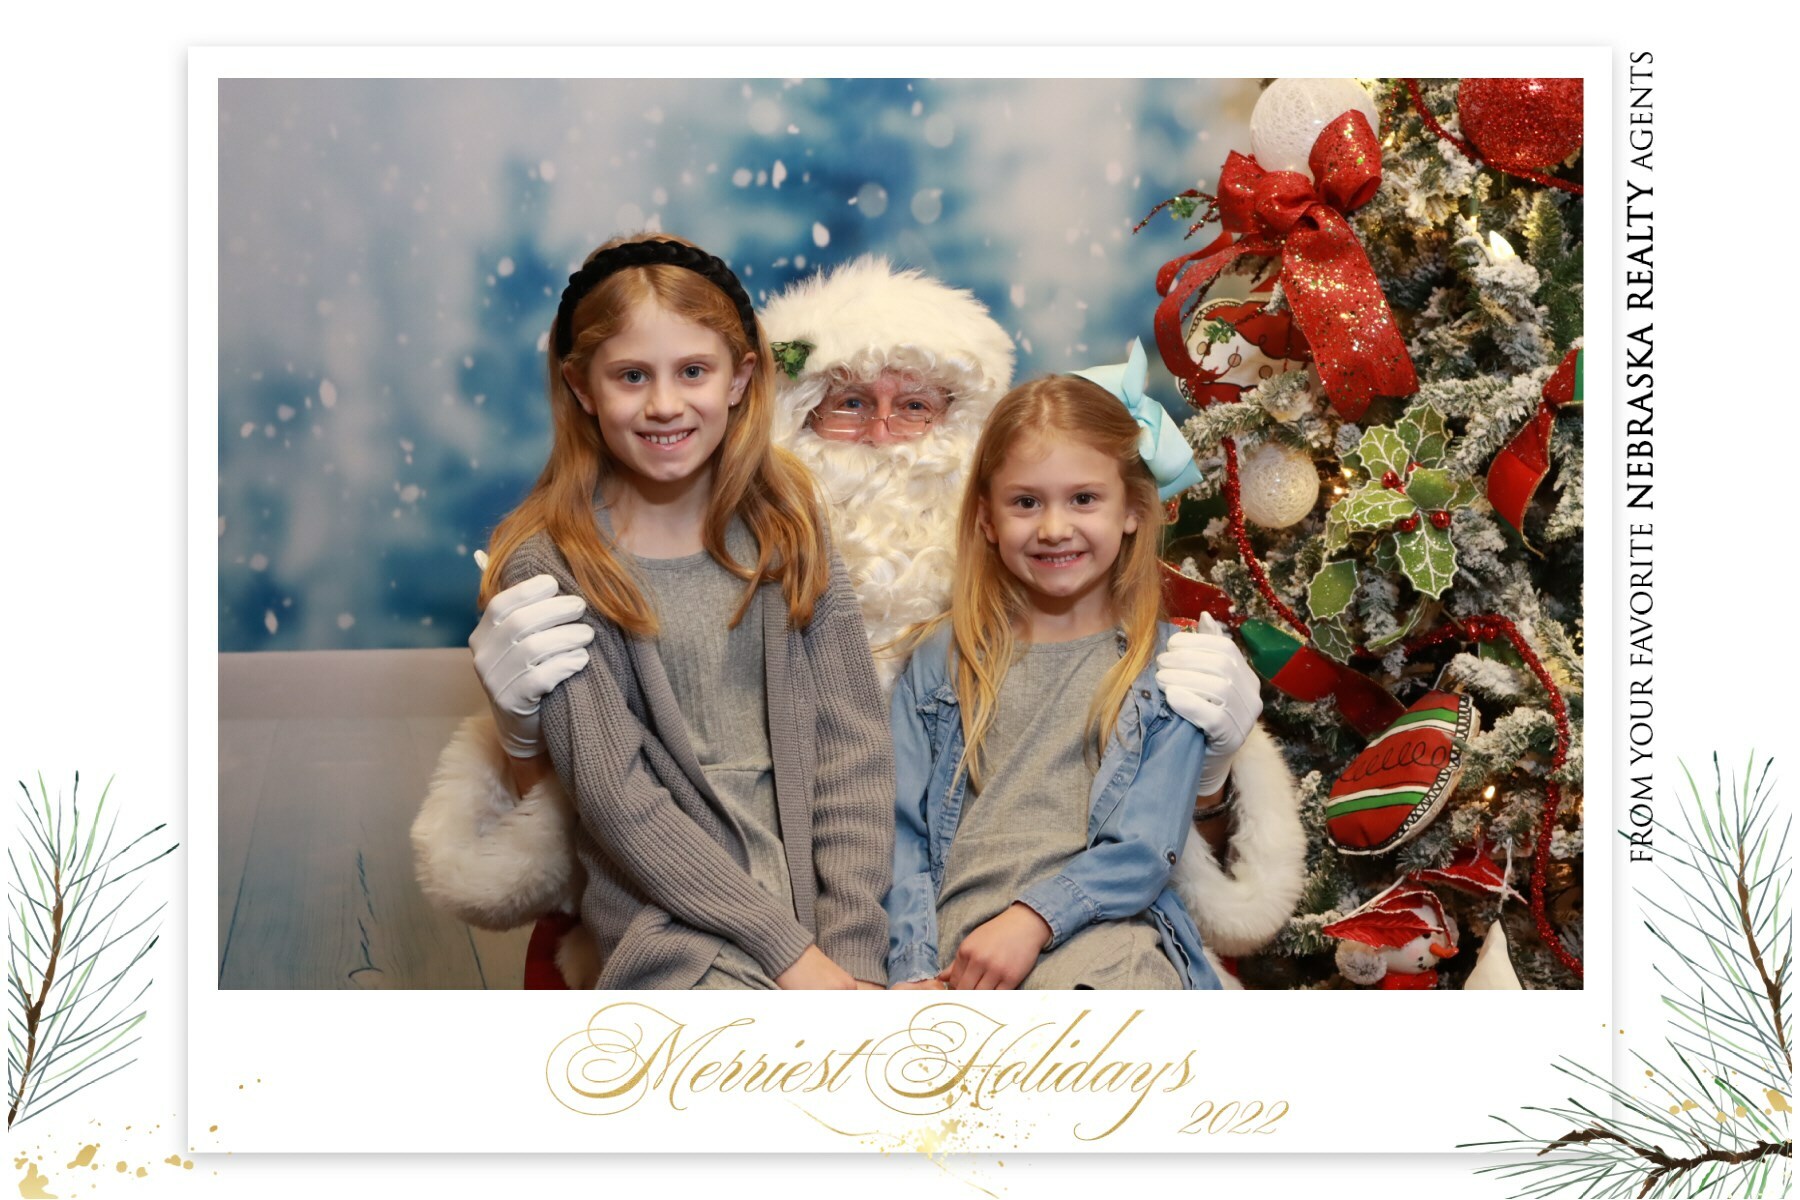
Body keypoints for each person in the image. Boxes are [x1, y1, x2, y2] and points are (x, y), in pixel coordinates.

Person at [414, 259, 1304, 988]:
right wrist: (521, 738)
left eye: (914, 406)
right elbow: (613, 803)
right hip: (758, 931)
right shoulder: (716, 544)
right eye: (847, 403)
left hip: (964, 942)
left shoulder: (1037, 582)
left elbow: (1144, 822)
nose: (882, 433)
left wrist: (1216, 774)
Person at [465, 232, 892, 989]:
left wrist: (853, 957)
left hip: (823, 935)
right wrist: (793, 959)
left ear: (740, 377)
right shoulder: (550, 565)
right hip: (675, 938)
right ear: (581, 386)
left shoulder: (789, 521)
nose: (664, 404)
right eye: (632, 375)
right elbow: (621, 807)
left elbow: (851, 751)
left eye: (693, 371)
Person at [886, 355, 1222, 991]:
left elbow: (1142, 850)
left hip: (1100, 938)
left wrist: (1034, 918)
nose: (1054, 528)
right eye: (1026, 502)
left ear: (1132, 508)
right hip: (956, 950)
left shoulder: (1169, 669)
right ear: (986, 518)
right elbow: (902, 834)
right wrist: (913, 968)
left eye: (1084, 499)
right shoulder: (943, 658)